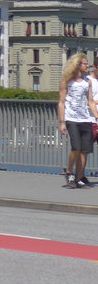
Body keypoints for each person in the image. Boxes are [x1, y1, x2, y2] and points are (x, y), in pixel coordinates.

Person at [57, 53, 98, 188]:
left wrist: (96, 117)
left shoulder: (88, 82)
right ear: (77, 65)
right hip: (71, 118)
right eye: (85, 64)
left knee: (85, 150)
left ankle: (79, 177)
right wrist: (62, 122)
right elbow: (61, 102)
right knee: (76, 147)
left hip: (85, 118)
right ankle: (70, 173)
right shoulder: (66, 81)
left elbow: (91, 101)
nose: (88, 66)